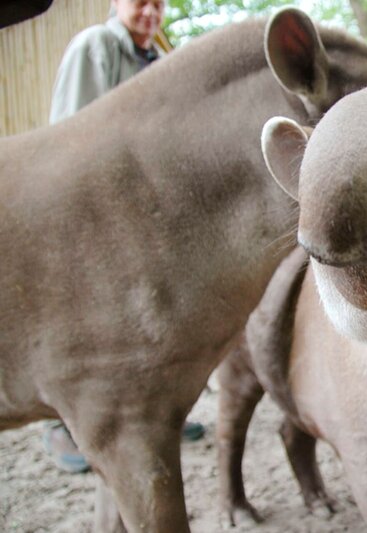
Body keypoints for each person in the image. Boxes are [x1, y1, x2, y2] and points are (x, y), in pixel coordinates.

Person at [44, 0, 205, 474]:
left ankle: (152, 418)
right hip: (93, 212)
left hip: (142, 214)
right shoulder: (96, 47)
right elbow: (71, 131)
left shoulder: (158, 60)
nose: (152, 12)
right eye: (141, 1)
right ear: (117, 3)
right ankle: (62, 427)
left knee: (142, 321)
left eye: (159, 3)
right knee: (83, 319)